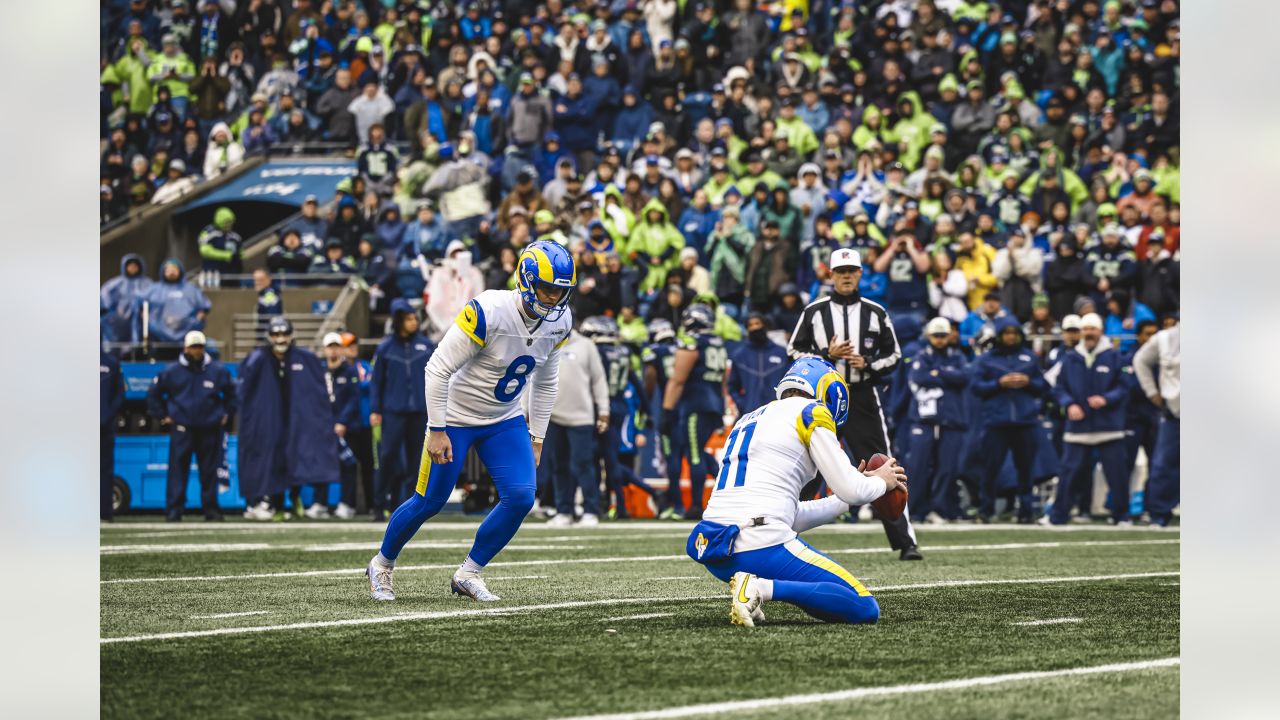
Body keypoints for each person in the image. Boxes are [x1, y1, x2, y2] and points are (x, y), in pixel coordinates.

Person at [367, 241, 577, 602]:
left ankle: (469, 572)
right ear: (526, 280)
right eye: (549, 288)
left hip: (504, 419)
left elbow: (546, 380)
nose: (556, 298)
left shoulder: (560, 322)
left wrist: (537, 436)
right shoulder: (488, 311)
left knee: (522, 497)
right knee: (429, 501)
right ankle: (382, 564)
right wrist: (437, 428)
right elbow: (437, 369)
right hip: (457, 418)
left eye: (562, 291)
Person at [688, 357, 908, 627]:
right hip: (758, 546)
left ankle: (751, 585)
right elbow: (852, 490)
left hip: (715, 549)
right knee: (863, 607)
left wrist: (849, 497)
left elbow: (787, 515)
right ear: (830, 392)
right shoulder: (812, 411)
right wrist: (881, 482)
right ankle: (759, 589)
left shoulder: (748, 419)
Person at [787, 248, 921, 560]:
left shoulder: (875, 312)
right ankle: (782, 532)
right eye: (841, 271)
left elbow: (895, 355)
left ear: (860, 273)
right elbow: (793, 351)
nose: (846, 276)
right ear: (831, 275)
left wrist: (868, 363)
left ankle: (905, 541)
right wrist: (826, 354)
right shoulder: (813, 311)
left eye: (852, 271)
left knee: (881, 463)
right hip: (822, 396)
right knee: (808, 465)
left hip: (861, 394)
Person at [238, 317, 339, 521]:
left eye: (284, 334)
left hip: (297, 421)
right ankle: (267, 503)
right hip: (268, 422)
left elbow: (318, 393)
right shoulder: (257, 359)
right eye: (276, 334)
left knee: (299, 457)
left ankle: (295, 501)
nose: (280, 338)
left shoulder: (305, 359)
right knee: (268, 461)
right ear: (269, 336)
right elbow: (243, 393)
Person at [1047, 313, 1131, 525]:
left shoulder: (1114, 356)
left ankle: (1122, 515)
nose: (1088, 333)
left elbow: (1124, 387)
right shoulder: (1071, 357)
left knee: (1117, 474)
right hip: (1078, 427)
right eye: (1085, 329)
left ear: (1101, 331)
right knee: (1068, 474)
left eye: (1092, 328)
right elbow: (1058, 388)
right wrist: (1069, 404)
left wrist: (1106, 399)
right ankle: (1058, 516)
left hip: (1108, 426)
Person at [146, 330, 236, 522]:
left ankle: (211, 509)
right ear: (185, 347)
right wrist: (163, 416)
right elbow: (153, 394)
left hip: (209, 429)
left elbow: (233, 394)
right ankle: (174, 509)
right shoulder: (171, 371)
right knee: (178, 471)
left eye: (200, 347)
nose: (196, 351)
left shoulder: (217, 370)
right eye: (193, 347)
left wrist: (225, 414)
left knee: (209, 471)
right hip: (182, 428)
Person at [971, 316, 1047, 523]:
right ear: (999, 336)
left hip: (1025, 421)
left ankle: (1026, 511)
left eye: (1014, 333)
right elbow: (976, 387)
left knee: (1026, 469)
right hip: (997, 421)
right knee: (991, 468)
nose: (1011, 337)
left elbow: (1042, 387)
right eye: (1007, 333)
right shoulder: (986, 359)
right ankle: (985, 510)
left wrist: (1028, 382)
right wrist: (999, 383)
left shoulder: (1030, 358)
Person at [659, 304, 727, 521]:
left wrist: (667, 410)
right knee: (700, 453)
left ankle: (697, 505)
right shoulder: (718, 342)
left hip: (696, 404)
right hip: (713, 403)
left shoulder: (691, 341)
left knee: (695, 454)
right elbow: (722, 379)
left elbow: (677, 379)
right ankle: (724, 490)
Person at [369, 299, 436, 516]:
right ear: (399, 321)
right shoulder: (385, 348)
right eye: (409, 319)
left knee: (417, 460)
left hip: (419, 411)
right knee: (387, 456)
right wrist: (375, 409)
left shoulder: (426, 345)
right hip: (393, 411)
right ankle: (379, 504)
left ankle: (411, 506)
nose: (414, 322)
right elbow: (376, 381)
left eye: (415, 318)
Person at [542, 319, 609, 527]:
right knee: (558, 465)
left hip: (581, 417)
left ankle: (590, 510)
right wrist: (526, 411)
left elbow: (598, 380)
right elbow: (534, 377)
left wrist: (604, 410)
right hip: (553, 415)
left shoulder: (586, 346)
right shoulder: (545, 341)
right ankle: (564, 511)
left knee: (583, 464)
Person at [584, 315, 652, 519]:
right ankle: (619, 506)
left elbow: (593, 383)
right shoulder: (623, 352)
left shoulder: (597, 352)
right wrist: (647, 411)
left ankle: (597, 505)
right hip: (620, 407)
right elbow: (637, 384)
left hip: (600, 408)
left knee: (595, 459)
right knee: (612, 459)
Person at [905, 317, 969, 523]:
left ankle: (940, 508)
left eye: (943, 335)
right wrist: (948, 376)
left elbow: (964, 377)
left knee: (948, 467)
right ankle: (916, 510)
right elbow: (919, 377)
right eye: (936, 336)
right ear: (929, 336)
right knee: (919, 466)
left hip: (950, 420)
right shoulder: (921, 356)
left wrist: (938, 373)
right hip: (925, 419)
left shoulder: (957, 356)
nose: (940, 340)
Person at [1132, 320, 1180, 527]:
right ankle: (1159, 513)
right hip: (1176, 411)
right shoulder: (1165, 338)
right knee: (1163, 465)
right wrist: (1152, 392)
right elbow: (1140, 360)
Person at [314, 333, 360, 520]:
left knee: (348, 465)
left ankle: (346, 503)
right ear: (324, 349)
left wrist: (343, 421)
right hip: (324, 427)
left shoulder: (349, 371)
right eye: (330, 347)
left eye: (336, 346)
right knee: (321, 464)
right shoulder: (319, 372)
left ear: (341, 349)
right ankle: (320, 503)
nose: (333, 350)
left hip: (345, 428)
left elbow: (353, 399)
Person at [726, 312, 789, 416]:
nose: (754, 327)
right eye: (750, 325)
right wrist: (742, 404)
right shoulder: (739, 355)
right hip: (750, 413)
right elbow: (732, 386)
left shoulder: (781, 353)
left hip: (778, 413)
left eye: (757, 323)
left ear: (764, 325)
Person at [141, 258, 211, 350]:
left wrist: (195, 323)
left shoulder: (191, 289)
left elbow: (203, 306)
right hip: (158, 339)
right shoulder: (154, 290)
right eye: (168, 270)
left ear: (180, 271)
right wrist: (152, 325)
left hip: (186, 340)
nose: (171, 272)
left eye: (174, 270)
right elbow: (142, 307)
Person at [424, 240, 484, 341]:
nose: (457, 258)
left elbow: (479, 297)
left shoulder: (474, 274)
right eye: (454, 255)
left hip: (468, 324)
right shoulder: (440, 273)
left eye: (460, 254)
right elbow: (434, 299)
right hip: (444, 326)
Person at [100, 254, 153, 345]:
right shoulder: (114, 285)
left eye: (135, 266)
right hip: (118, 325)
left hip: (141, 324)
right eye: (130, 265)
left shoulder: (148, 284)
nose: (132, 268)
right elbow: (104, 302)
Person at [100, 349, 125, 521]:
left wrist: (107, 415)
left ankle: (104, 510)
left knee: (105, 470)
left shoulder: (111, 363)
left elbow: (119, 394)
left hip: (105, 427)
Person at [197, 206, 243, 283]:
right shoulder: (209, 232)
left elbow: (241, 252)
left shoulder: (235, 237)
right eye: (226, 222)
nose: (229, 225)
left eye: (230, 222)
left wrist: (239, 256)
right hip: (212, 273)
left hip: (232, 273)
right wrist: (227, 255)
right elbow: (204, 250)